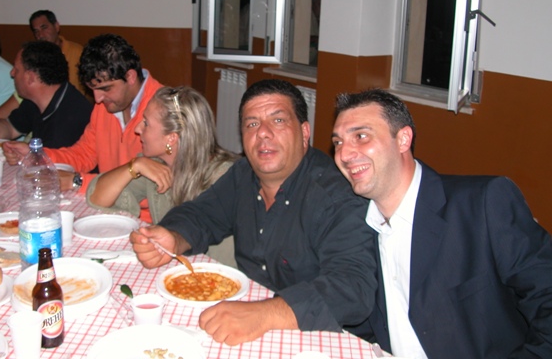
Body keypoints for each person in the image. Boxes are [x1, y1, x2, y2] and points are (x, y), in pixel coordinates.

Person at [131, 79, 376, 346]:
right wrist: (173, 237)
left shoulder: (337, 197)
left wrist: (265, 314)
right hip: (253, 321)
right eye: (252, 124)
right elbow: (202, 214)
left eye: (278, 121)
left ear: (305, 132)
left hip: (324, 338)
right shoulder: (243, 174)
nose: (263, 133)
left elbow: (352, 287)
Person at [333, 89, 552, 358]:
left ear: (403, 139)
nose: (344, 154)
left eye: (361, 136)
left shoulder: (482, 205)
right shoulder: (356, 223)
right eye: (338, 142)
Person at [87, 86, 238, 266]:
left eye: (146, 123)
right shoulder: (156, 166)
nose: (137, 129)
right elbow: (96, 198)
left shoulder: (225, 178)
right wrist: (134, 166)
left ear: (171, 138)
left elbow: (218, 261)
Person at [3, 33, 162, 192]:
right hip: (108, 198)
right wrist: (38, 156)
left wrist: (77, 181)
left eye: (105, 88)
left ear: (130, 77)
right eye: (92, 90)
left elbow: (149, 186)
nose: (98, 99)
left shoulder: (163, 110)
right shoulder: (106, 105)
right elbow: (84, 154)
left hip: (140, 207)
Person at [0, 41, 92, 148]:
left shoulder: (70, 117)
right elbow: (10, 129)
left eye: (16, 69)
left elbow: (51, 165)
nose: (12, 73)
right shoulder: (36, 100)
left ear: (31, 78)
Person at [29, 10, 86, 96]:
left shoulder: (77, 52)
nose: (40, 35)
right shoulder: (33, 57)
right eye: (36, 31)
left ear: (56, 26)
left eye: (44, 28)